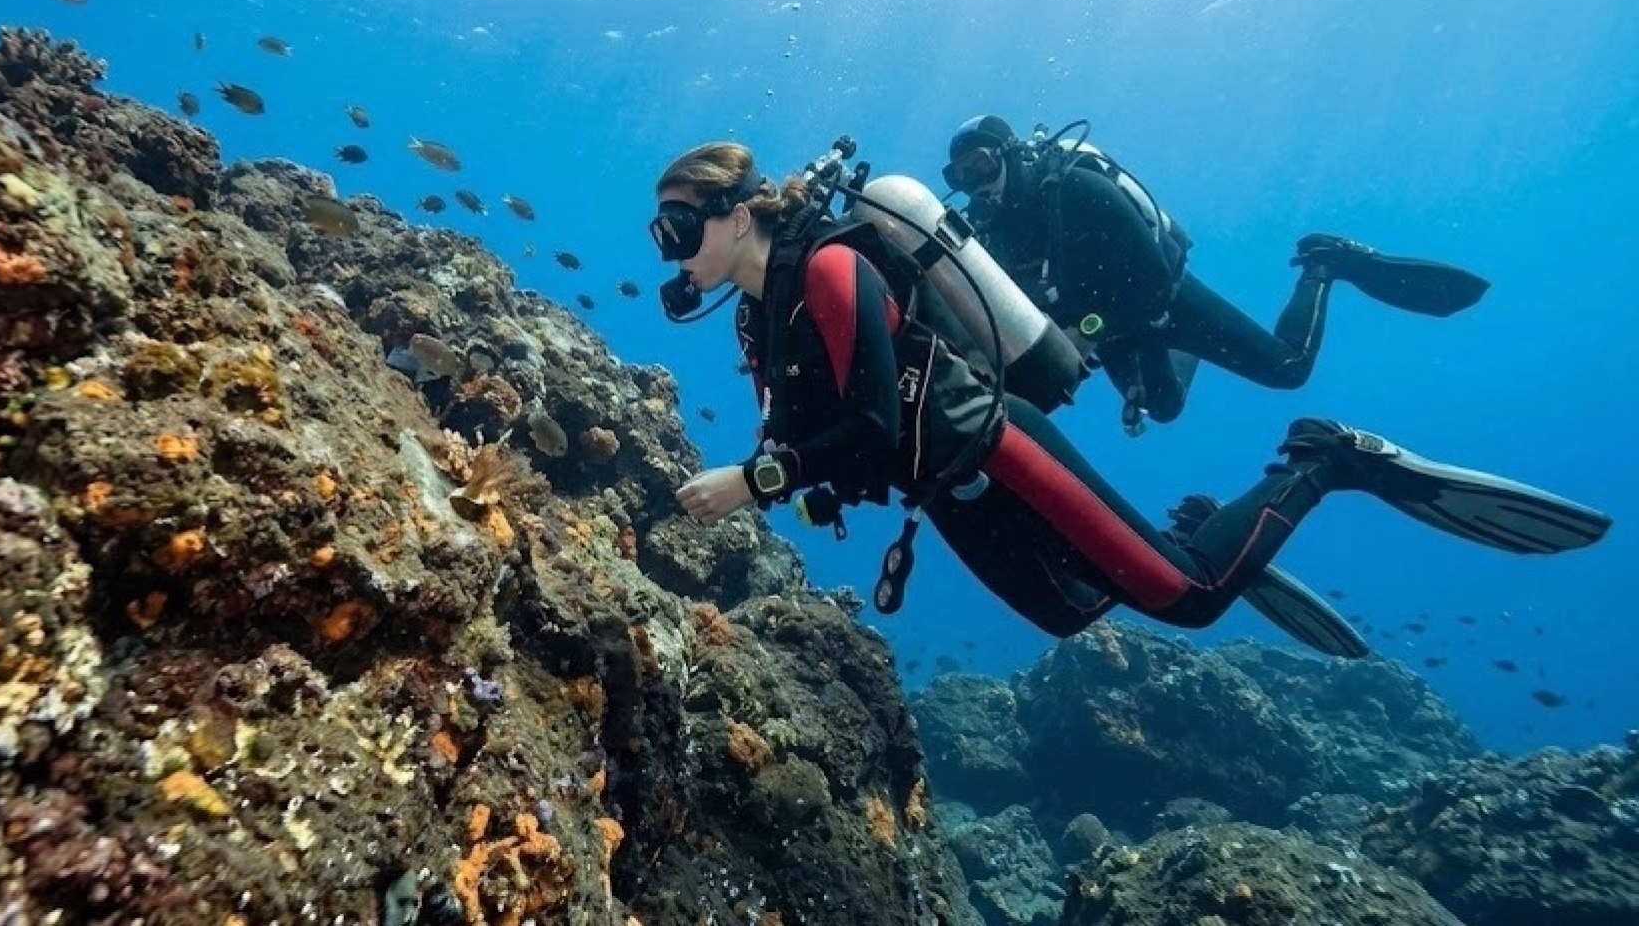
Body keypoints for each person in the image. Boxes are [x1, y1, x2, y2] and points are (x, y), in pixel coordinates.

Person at [652, 141, 1610, 657]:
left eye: (681, 222)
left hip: (990, 448)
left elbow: (868, 422)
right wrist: (802, 476)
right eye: (664, 230)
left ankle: (1325, 458)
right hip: (945, 489)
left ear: (739, 213)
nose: (672, 243)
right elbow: (842, 440)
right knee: (1073, 611)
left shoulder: (826, 270)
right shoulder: (756, 318)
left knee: (1185, 599)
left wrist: (760, 479)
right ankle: (1192, 526)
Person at [940, 115, 1492, 433]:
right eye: (960, 176)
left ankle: (1326, 265)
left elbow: (1152, 278)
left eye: (982, 166)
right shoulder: (994, 232)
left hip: (1165, 300)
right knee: (1165, 409)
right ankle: (1175, 354)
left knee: (1289, 370)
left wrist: (1087, 332)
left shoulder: (1075, 190)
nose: (975, 184)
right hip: (1109, 325)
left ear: (1010, 154)